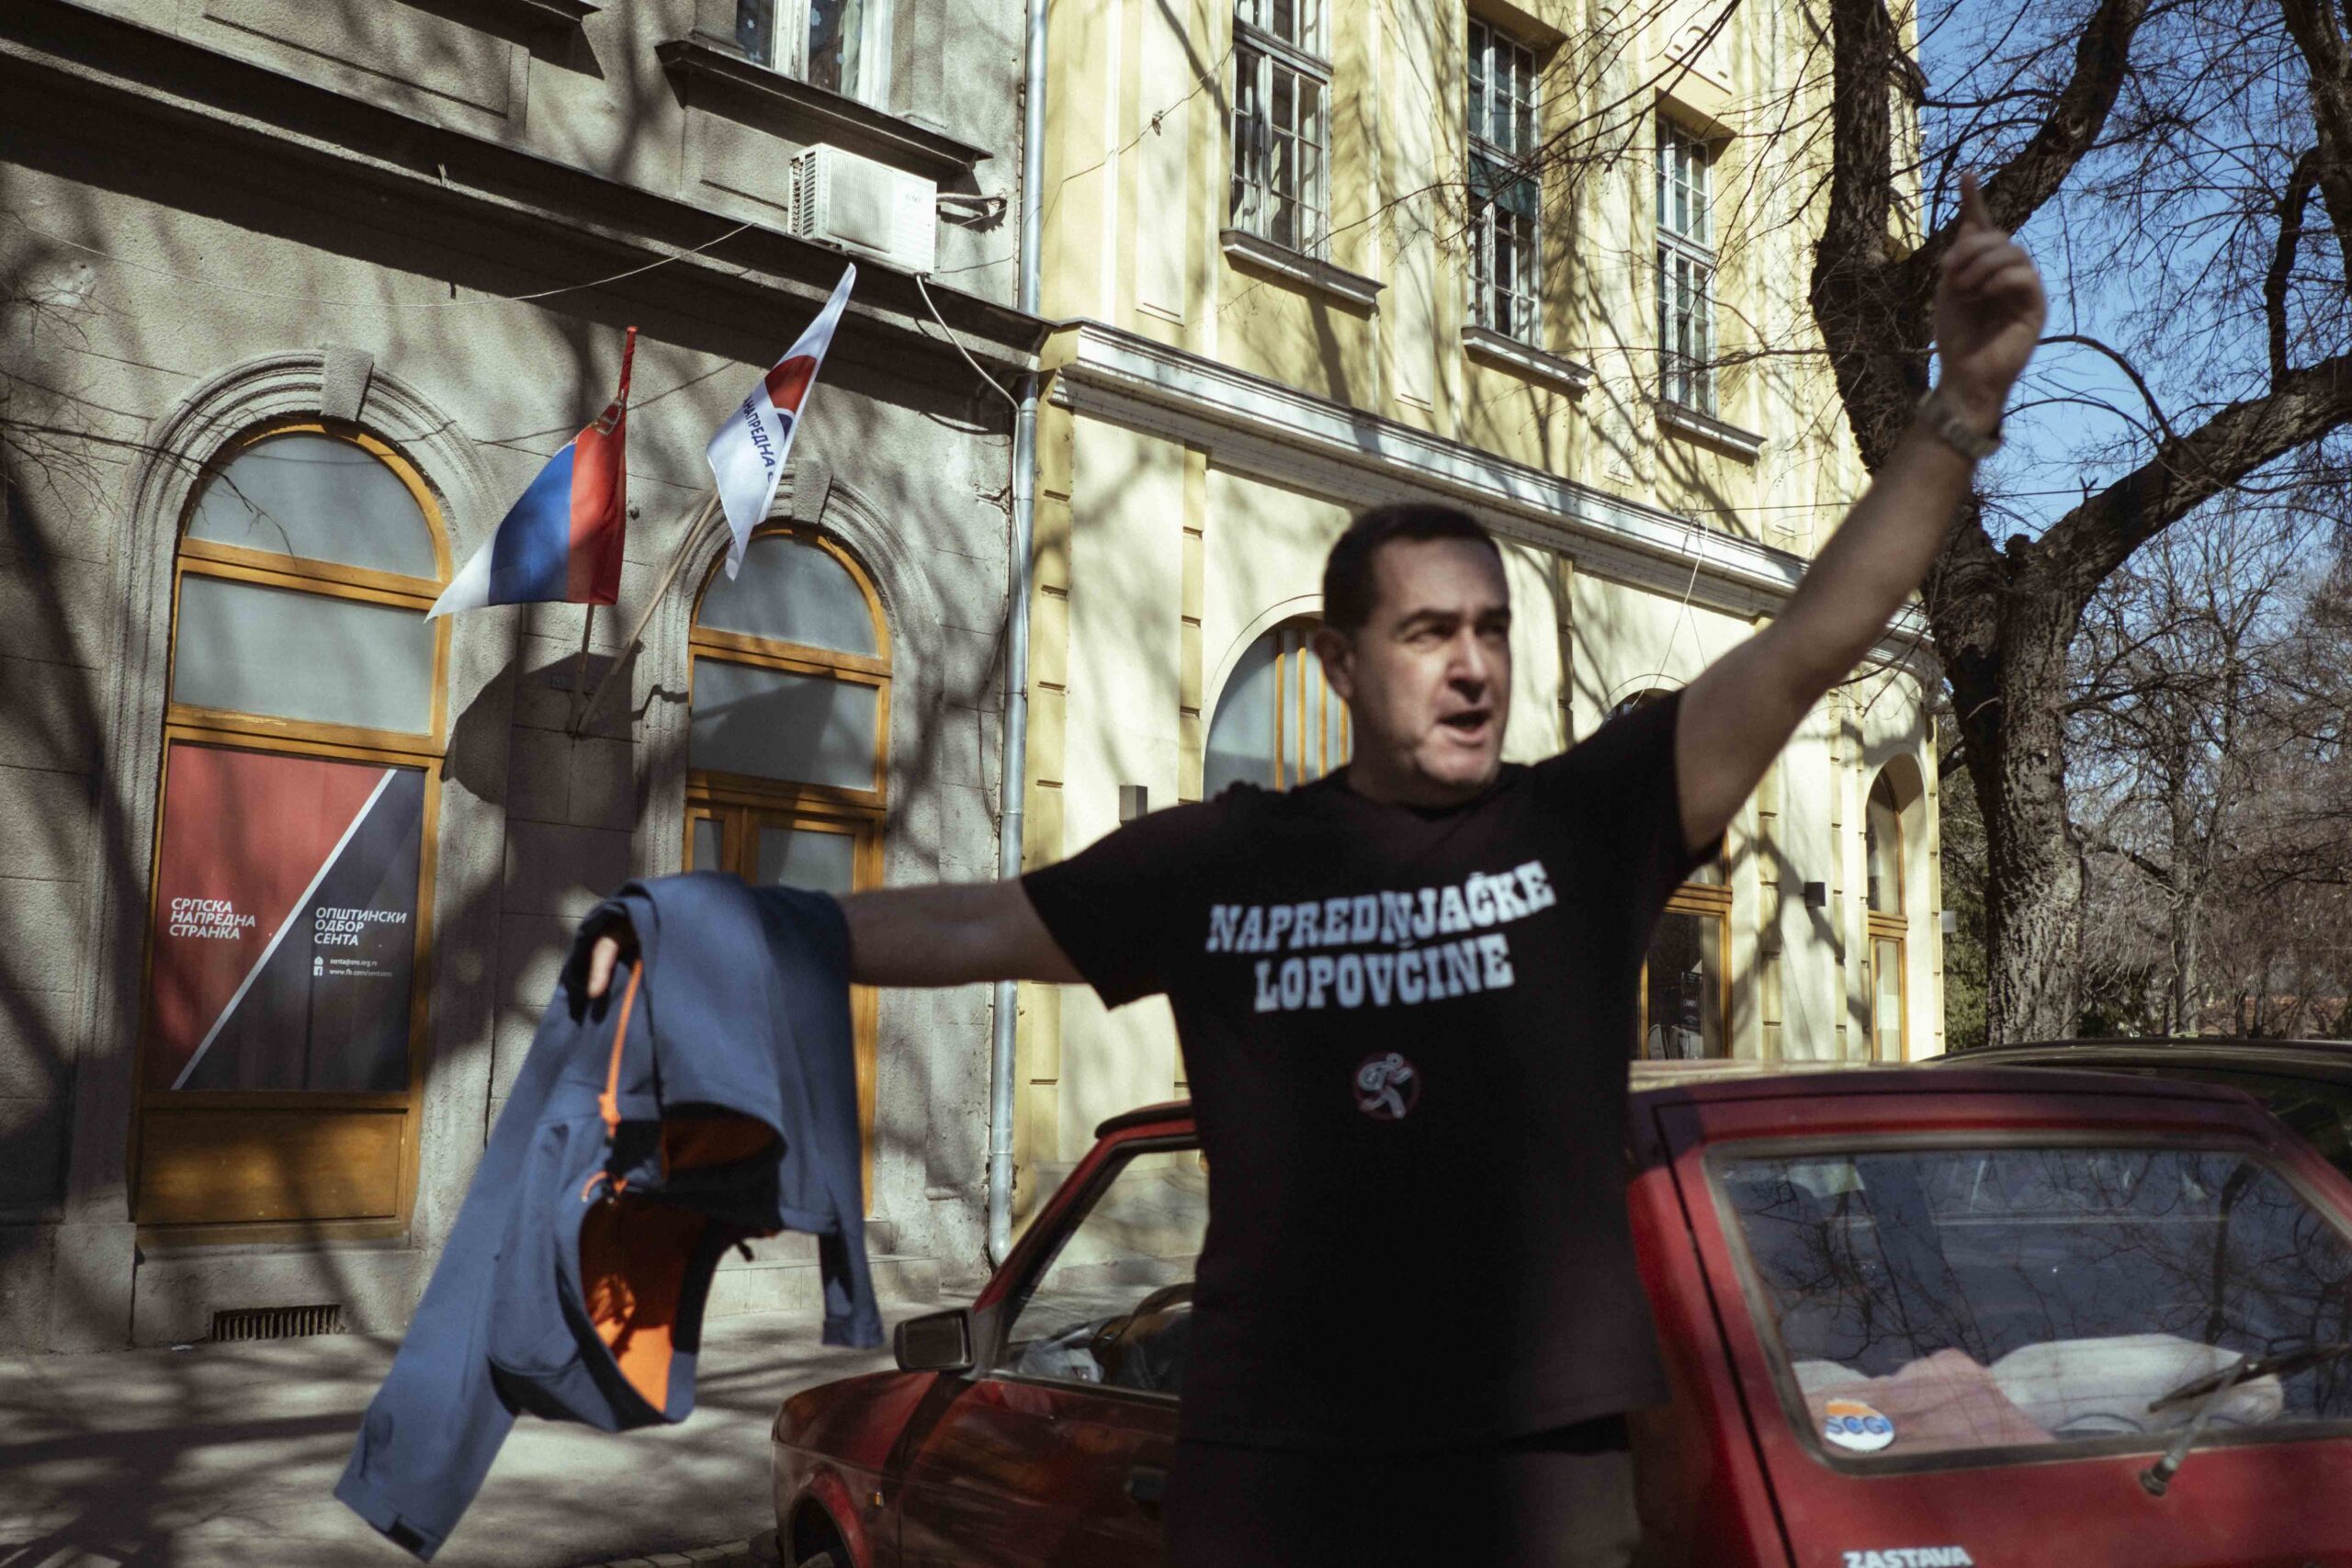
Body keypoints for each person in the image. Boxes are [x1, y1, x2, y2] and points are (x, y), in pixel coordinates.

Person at [586, 175, 2045, 1565]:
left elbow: (1812, 641)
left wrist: (1960, 411)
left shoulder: (1584, 827)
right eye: (1428, 635)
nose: (1472, 669)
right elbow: (979, 925)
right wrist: (715, 923)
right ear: (1341, 664)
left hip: (1532, 1474)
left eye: (1490, 631)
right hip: (1281, 1476)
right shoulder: (1230, 863)